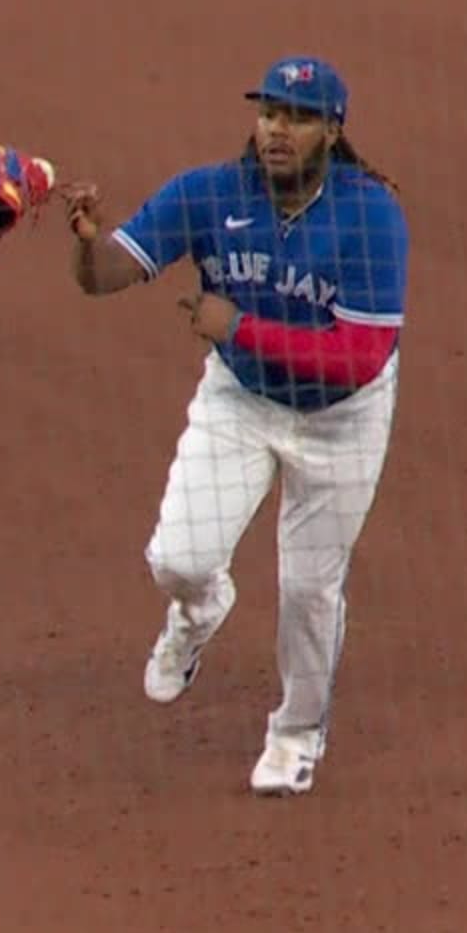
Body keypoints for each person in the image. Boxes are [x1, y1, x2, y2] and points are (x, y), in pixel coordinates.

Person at [58, 55, 410, 797]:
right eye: (270, 112)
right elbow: (106, 277)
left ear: (331, 131)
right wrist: (89, 240)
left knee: (309, 589)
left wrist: (239, 328)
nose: (278, 129)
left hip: (342, 420)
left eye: (299, 116)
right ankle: (199, 609)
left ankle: (295, 734)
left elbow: (358, 357)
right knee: (178, 560)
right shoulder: (211, 194)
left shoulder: (372, 216)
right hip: (243, 403)